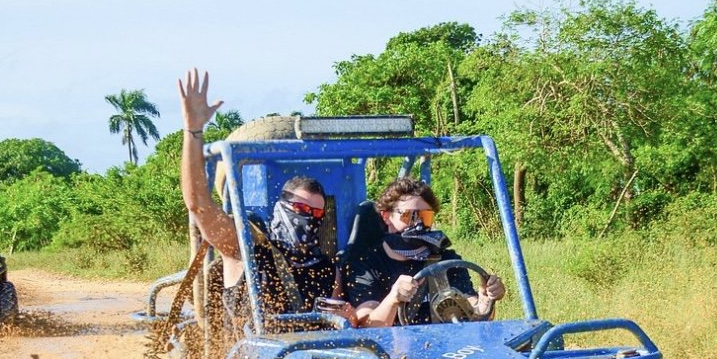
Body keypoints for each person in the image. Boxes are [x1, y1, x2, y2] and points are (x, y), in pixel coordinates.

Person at [177, 66, 354, 329]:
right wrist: (192, 131)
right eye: (301, 209)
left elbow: (338, 326)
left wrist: (349, 317)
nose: (310, 219)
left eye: (317, 213)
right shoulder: (244, 249)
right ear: (282, 207)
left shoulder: (329, 269)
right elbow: (197, 205)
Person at [342, 177, 506, 327]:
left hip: (445, 351)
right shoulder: (365, 266)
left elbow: (474, 315)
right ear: (386, 216)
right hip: (390, 352)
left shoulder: (445, 259)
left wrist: (486, 299)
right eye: (410, 216)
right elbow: (366, 326)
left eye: (425, 217)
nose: (418, 224)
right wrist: (393, 299)